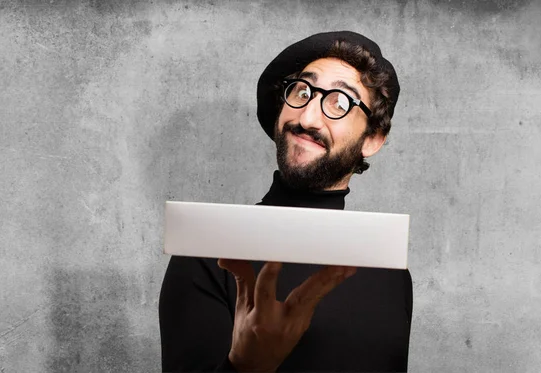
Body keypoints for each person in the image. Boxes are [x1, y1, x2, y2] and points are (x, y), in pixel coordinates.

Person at [159, 31, 413, 372]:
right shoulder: (208, 252)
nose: (306, 118)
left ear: (372, 139)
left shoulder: (390, 274)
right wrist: (246, 366)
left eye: (340, 101)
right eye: (302, 91)